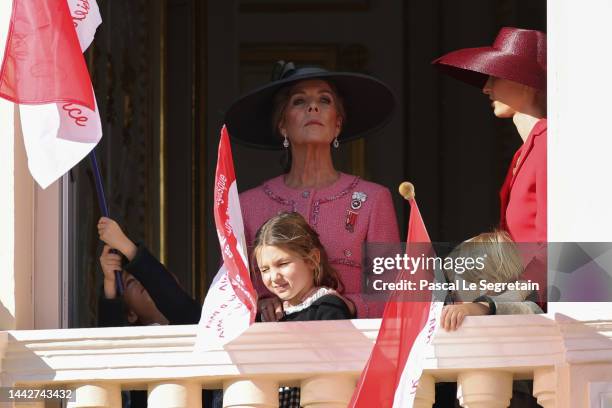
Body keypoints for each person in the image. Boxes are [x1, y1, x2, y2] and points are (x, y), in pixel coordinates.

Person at [225, 61, 400, 319]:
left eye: (325, 100)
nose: (313, 106)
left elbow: (394, 294)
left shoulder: (373, 199)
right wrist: (258, 304)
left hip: (352, 348)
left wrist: (344, 304)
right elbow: (228, 293)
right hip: (272, 348)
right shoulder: (246, 205)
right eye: (299, 101)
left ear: (337, 124)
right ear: (282, 125)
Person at [432, 27, 547, 244]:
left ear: (525, 81)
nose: (486, 87)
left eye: (495, 76)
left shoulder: (550, 144)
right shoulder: (527, 150)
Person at [252, 212, 354, 407]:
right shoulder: (268, 314)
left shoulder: (327, 307)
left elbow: (334, 368)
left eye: (282, 264)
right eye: (265, 269)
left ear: (311, 259)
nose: (273, 277)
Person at [440, 230, 542, 332]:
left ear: (484, 285)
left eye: (455, 285)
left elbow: (517, 310)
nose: (452, 293)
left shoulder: (528, 308)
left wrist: (475, 308)